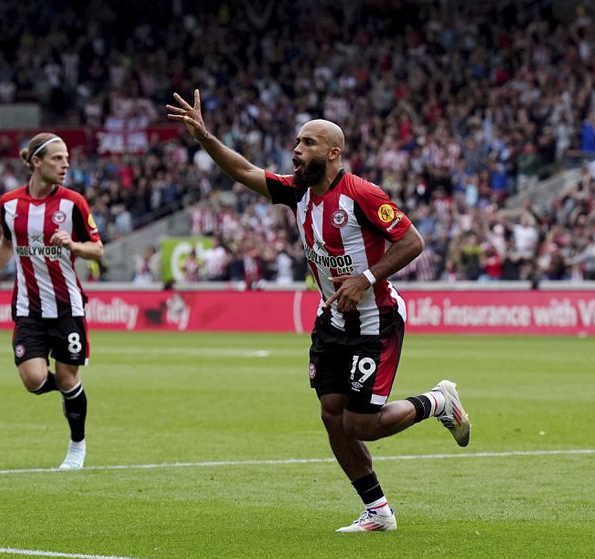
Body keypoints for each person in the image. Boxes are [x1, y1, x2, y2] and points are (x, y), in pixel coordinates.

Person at [168, 90, 471, 532]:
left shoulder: (362, 194)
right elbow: (243, 170)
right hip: (331, 321)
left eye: (307, 143)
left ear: (333, 153)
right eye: (296, 142)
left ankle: (439, 402)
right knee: (332, 413)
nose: (296, 149)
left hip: (375, 318)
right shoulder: (296, 194)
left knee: (362, 423)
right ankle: (378, 511)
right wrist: (204, 136)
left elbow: (412, 242)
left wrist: (365, 278)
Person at [0, 132, 104, 470]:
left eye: (67, 158)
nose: (66, 164)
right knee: (33, 380)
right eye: (58, 158)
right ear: (37, 162)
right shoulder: (9, 204)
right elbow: (6, 243)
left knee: (68, 377)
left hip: (66, 306)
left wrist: (74, 246)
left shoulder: (73, 202)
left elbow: (97, 249)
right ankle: (73, 394)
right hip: (28, 306)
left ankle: (77, 446)